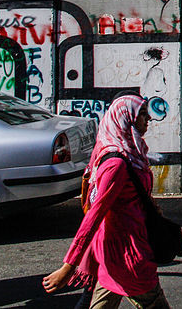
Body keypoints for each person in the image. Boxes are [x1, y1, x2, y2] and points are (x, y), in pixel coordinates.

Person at [43, 95, 170, 308]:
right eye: (142, 115)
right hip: (129, 256)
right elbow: (93, 215)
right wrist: (68, 267)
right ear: (125, 118)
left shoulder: (130, 153)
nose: (147, 120)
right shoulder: (116, 164)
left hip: (114, 257)